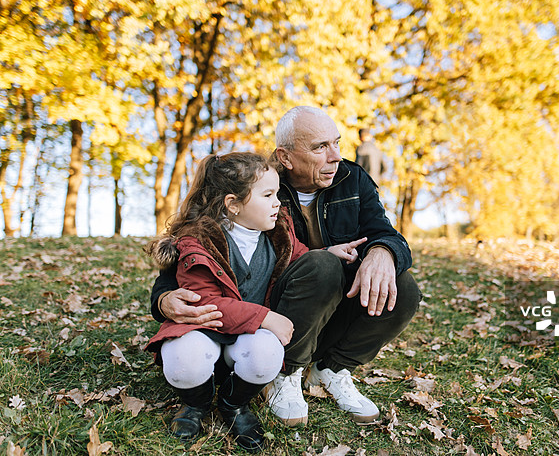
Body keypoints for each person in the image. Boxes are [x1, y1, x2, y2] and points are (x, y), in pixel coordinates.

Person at [150, 106, 421, 427]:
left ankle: (331, 369)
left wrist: (383, 252)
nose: (334, 156)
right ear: (286, 157)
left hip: (325, 308)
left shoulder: (352, 178)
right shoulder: (258, 187)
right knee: (320, 264)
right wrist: (163, 299)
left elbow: (382, 232)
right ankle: (285, 373)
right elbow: (187, 259)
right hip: (271, 310)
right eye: (320, 147)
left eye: (337, 143)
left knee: (403, 288)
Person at [144, 152, 365, 451]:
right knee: (184, 360)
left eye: (277, 193)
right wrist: (265, 317)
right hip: (204, 332)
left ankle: (234, 404)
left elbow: (297, 257)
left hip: (244, 342)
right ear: (233, 204)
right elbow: (204, 302)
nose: (278, 202)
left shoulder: (278, 232)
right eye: (268, 195)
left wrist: (328, 252)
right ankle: (195, 403)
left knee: (267, 354)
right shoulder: (196, 241)